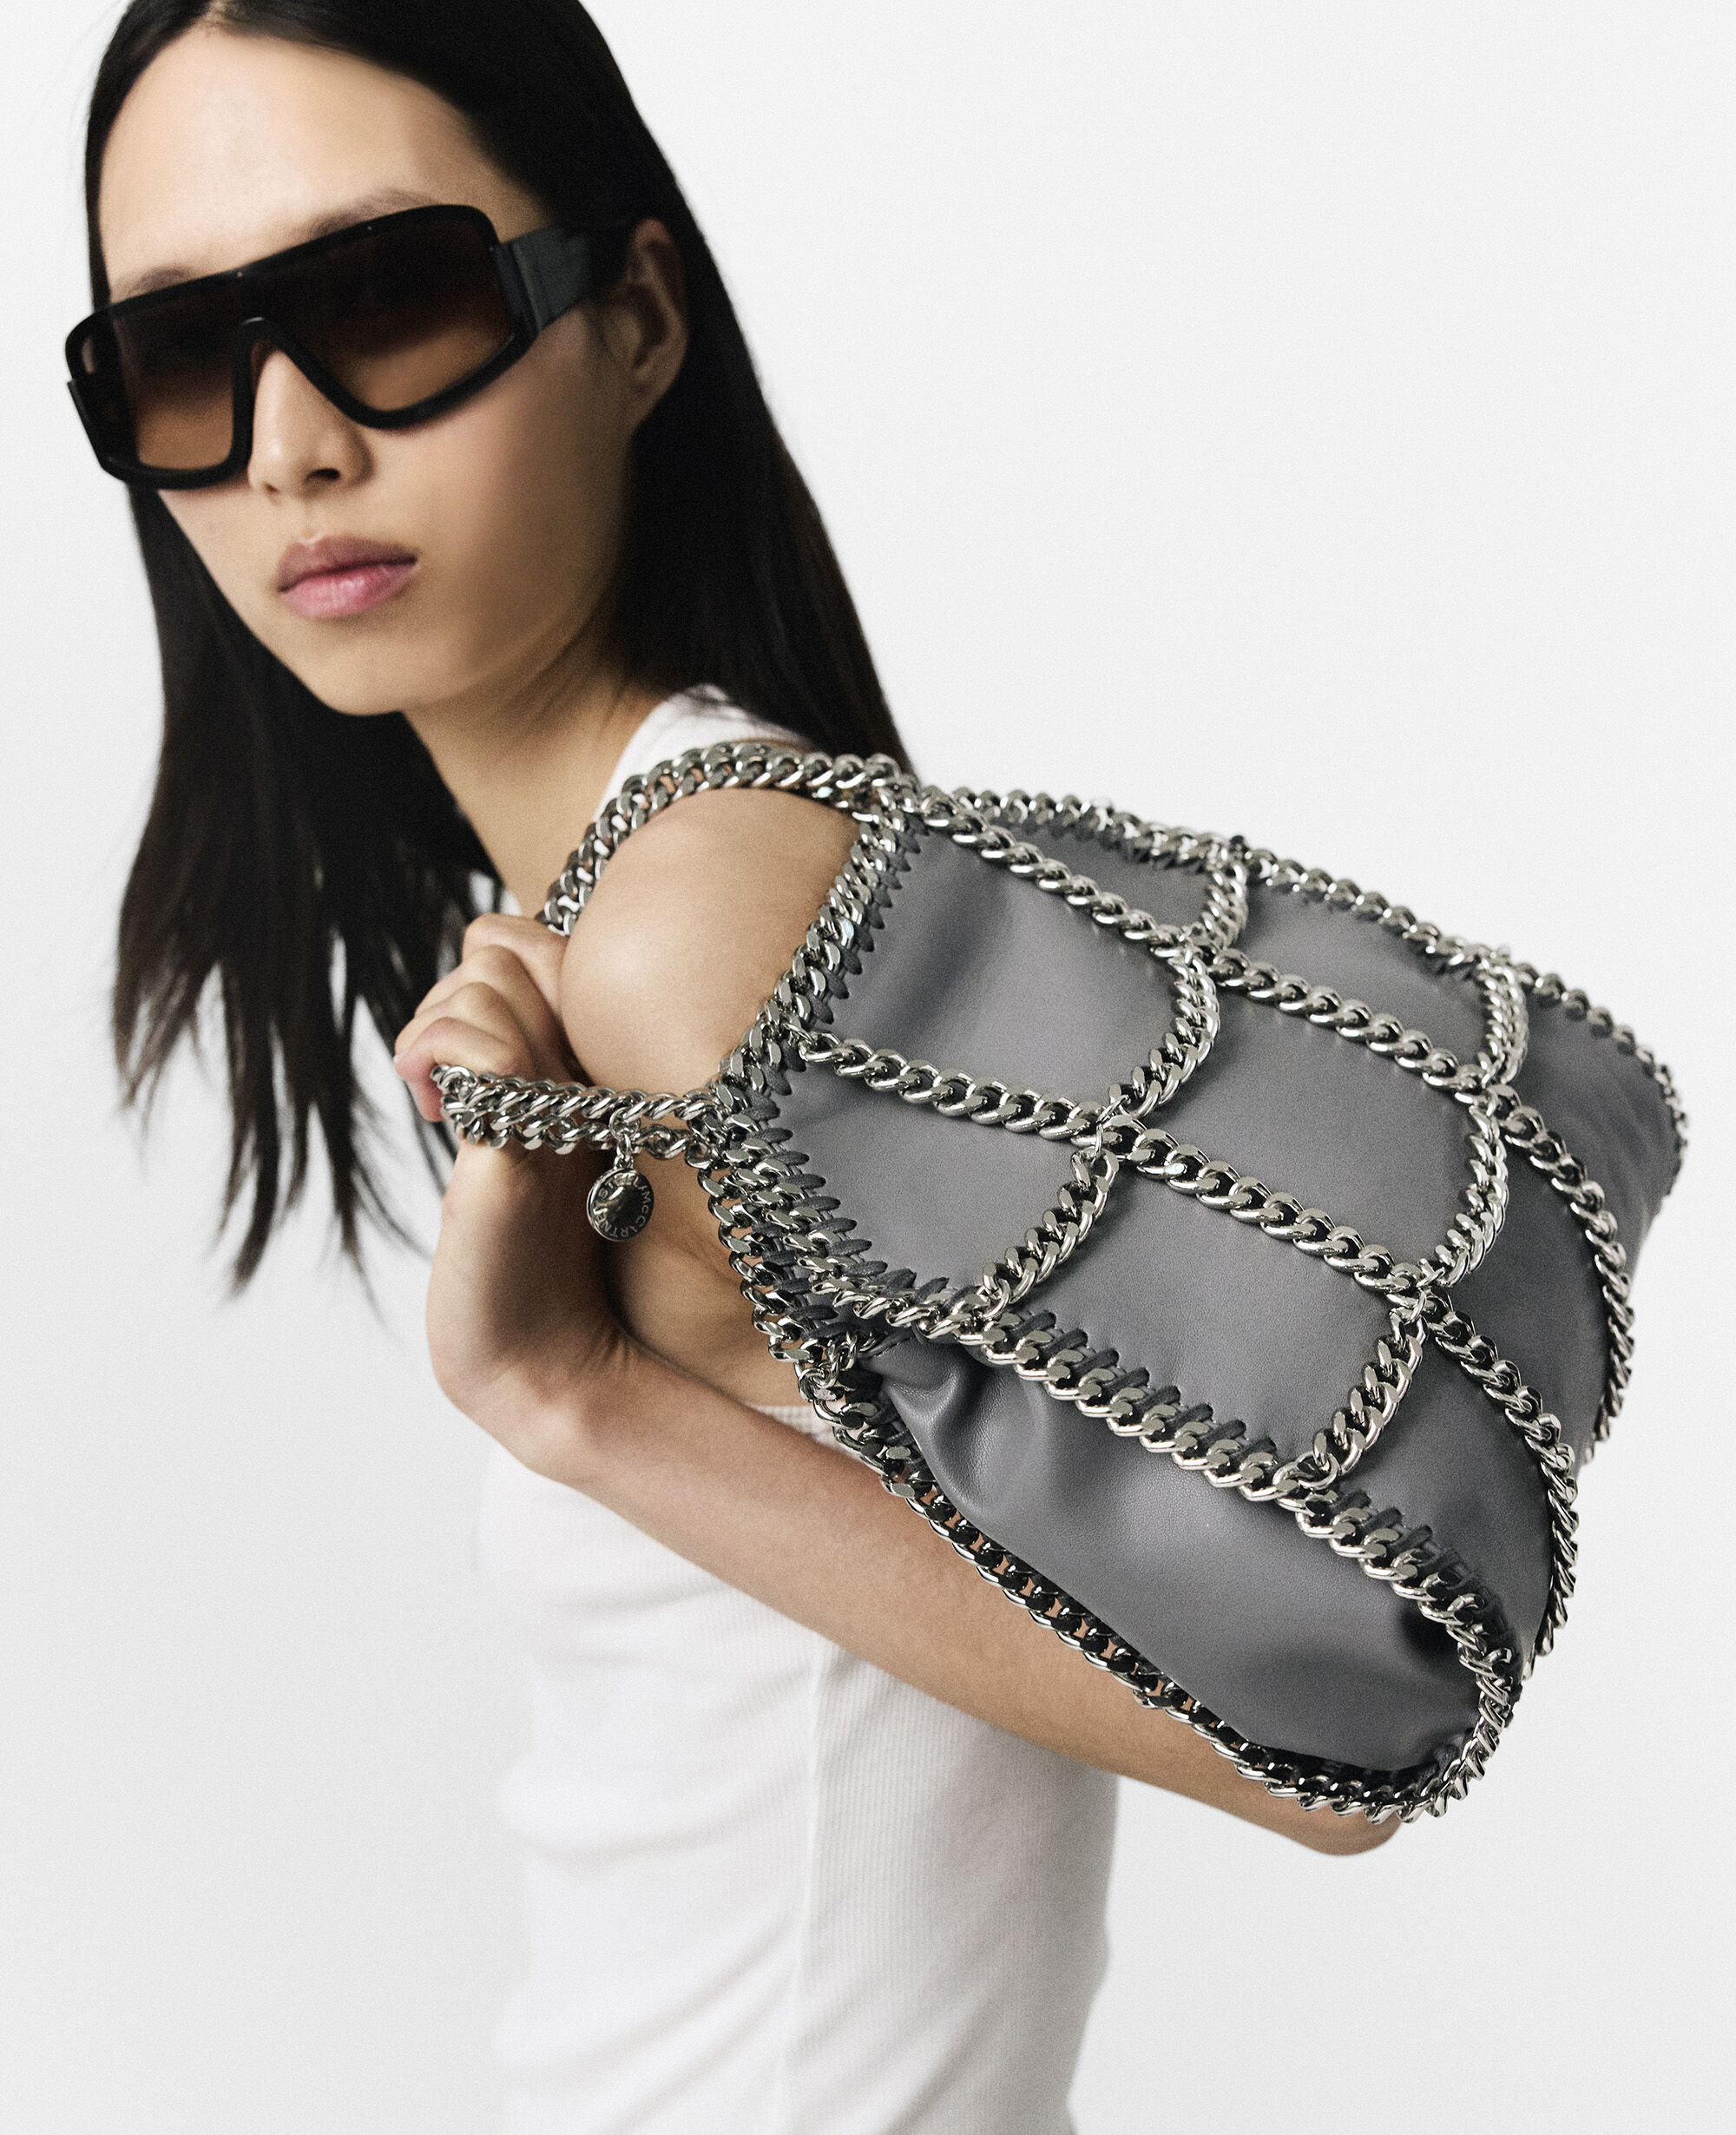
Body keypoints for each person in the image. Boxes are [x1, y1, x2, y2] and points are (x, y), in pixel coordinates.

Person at [75, 3, 1395, 2128]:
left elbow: (1316, 1737)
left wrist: (567, 1393)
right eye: (179, 355)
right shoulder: (616, 895)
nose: (291, 441)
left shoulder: (698, 924)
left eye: (391, 297)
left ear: (635, 319)